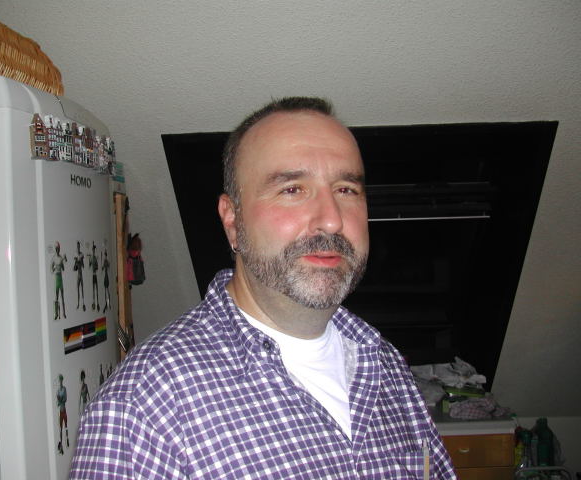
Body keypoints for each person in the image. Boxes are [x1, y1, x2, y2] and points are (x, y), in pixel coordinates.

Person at [70, 97, 456, 479]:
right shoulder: (144, 404)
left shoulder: (385, 363)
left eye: (346, 190)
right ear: (232, 221)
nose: (332, 221)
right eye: (292, 189)